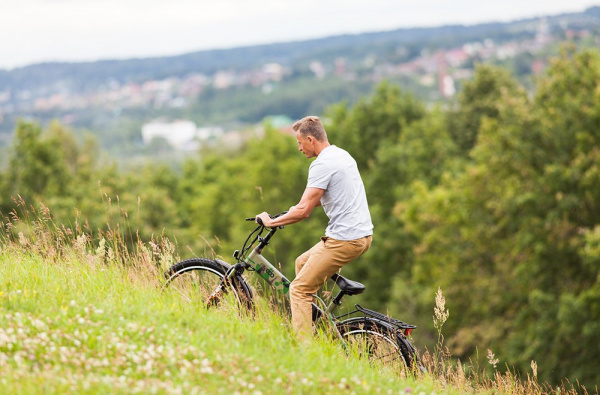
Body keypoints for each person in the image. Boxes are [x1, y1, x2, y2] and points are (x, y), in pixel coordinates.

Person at [255, 115, 373, 336]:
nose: (299, 149)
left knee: (298, 290)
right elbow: (328, 196)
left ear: (310, 139)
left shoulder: (322, 164)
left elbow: (304, 212)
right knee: (301, 263)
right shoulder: (341, 155)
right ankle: (319, 326)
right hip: (363, 236)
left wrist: (271, 221)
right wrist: (296, 208)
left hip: (345, 239)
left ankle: (304, 349)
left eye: (300, 143)